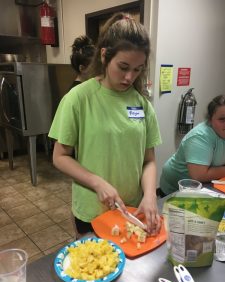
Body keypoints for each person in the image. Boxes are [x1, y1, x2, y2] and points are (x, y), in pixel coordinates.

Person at [48, 12, 162, 236]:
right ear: (104, 56)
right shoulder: (79, 98)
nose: (130, 77)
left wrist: (150, 196)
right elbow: (60, 157)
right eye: (123, 66)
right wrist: (98, 183)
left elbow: (148, 160)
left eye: (137, 69)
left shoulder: (142, 104)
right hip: (94, 211)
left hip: (132, 210)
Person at [160, 94, 225, 196]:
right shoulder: (200, 136)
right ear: (210, 120)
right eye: (222, 119)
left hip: (205, 186)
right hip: (175, 188)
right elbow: (199, 175)